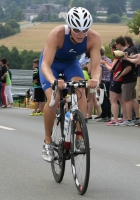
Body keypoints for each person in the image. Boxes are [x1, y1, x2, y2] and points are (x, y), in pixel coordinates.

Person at [39, 7, 101, 162]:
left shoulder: (93, 37)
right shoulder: (57, 34)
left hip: (70, 64)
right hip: (52, 64)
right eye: (77, 30)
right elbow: (45, 65)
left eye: (84, 30)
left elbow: (96, 66)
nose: (81, 34)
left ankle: (79, 136)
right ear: (69, 27)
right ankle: (47, 141)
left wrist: (95, 79)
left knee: (80, 89)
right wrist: (53, 81)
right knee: (54, 98)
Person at [114, 36, 140, 126]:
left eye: (116, 44)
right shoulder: (130, 51)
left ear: (120, 44)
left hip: (128, 80)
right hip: (133, 78)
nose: (116, 46)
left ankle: (129, 119)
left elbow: (128, 67)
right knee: (133, 98)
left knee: (127, 100)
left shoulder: (125, 53)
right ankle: (137, 117)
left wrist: (119, 75)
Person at [101, 43, 127, 125]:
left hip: (116, 80)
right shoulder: (121, 57)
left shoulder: (117, 57)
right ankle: (124, 117)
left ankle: (115, 119)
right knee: (122, 100)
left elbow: (111, 69)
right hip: (120, 79)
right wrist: (107, 63)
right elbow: (113, 66)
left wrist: (104, 64)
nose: (111, 51)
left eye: (111, 49)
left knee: (113, 100)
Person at [96, 47, 112, 122]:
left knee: (103, 99)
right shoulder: (108, 59)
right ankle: (108, 114)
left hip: (103, 81)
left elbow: (100, 73)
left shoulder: (100, 61)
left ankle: (104, 115)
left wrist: (99, 84)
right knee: (108, 98)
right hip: (109, 81)